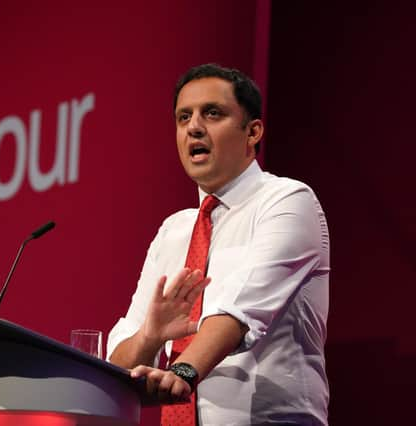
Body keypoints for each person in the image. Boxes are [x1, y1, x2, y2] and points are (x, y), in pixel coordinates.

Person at [107, 64, 329, 425]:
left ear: (253, 131)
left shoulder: (287, 200)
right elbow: (119, 363)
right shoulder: (172, 231)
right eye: (183, 117)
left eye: (212, 113)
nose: (194, 127)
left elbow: (241, 309)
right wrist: (149, 337)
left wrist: (184, 371)